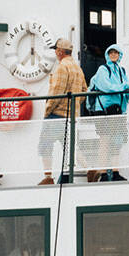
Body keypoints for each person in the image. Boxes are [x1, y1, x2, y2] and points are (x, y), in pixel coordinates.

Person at [38, 36, 87, 184]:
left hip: (56, 115)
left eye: (56, 50)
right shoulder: (78, 69)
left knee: (45, 145)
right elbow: (84, 90)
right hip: (71, 115)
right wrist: (76, 103)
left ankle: (48, 177)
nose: (55, 53)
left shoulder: (62, 67)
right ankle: (91, 169)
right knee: (70, 146)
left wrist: (47, 110)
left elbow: (56, 93)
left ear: (60, 52)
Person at [87, 43, 129, 181]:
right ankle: (103, 173)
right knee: (105, 141)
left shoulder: (121, 71)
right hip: (103, 109)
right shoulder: (103, 70)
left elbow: (124, 92)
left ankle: (115, 172)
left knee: (117, 141)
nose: (113, 55)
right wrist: (128, 85)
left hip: (116, 110)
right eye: (111, 53)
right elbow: (107, 87)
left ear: (119, 55)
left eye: (116, 53)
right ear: (107, 55)